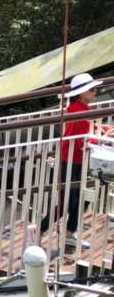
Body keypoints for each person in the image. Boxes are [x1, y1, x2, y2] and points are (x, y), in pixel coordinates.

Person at [40, 73, 113, 249]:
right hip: (70, 161)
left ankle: (69, 233)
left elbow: (84, 131)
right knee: (68, 201)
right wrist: (101, 137)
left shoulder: (77, 108)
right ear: (82, 93)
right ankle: (40, 231)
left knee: (81, 197)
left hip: (76, 160)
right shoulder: (79, 111)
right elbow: (78, 138)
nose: (96, 93)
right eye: (93, 90)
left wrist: (101, 130)